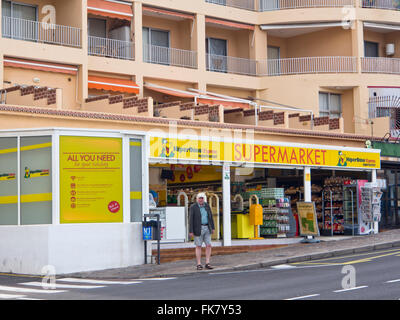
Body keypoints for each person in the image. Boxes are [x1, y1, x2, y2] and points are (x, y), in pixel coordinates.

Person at [188, 192, 215, 270]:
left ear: (204, 199)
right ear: (197, 199)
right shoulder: (193, 207)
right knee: (198, 246)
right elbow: (191, 219)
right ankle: (199, 263)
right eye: (199, 198)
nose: (201, 200)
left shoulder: (207, 206)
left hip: (207, 227)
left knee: (208, 245)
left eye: (202, 198)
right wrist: (191, 231)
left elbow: (210, 217)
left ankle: (207, 262)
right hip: (198, 228)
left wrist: (212, 227)